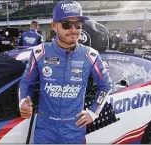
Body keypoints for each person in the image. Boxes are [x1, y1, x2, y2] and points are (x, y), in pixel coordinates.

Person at [18, 1, 112, 144]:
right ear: (54, 26)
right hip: (45, 129)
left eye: (78, 24)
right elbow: (26, 82)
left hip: (74, 128)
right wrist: (23, 101)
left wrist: (94, 112)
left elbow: (106, 85)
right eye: (67, 24)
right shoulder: (39, 52)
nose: (74, 29)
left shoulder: (91, 55)